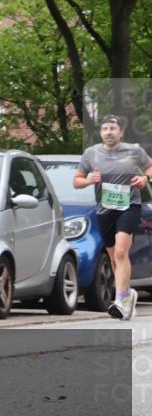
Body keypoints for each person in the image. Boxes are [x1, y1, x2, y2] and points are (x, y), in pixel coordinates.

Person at [74, 115, 152, 320]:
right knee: (113, 257)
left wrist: (144, 178)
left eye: (113, 128)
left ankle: (120, 300)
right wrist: (89, 180)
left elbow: (151, 167)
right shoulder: (91, 153)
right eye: (105, 128)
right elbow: (77, 181)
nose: (108, 132)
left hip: (130, 206)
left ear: (121, 132)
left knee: (120, 251)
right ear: (100, 133)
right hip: (105, 210)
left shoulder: (134, 150)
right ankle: (127, 295)